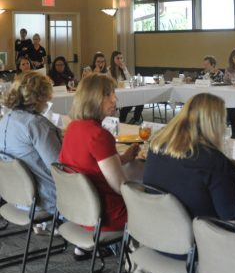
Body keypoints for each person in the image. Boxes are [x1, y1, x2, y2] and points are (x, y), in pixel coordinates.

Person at [59, 74, 139, 234]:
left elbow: (90, 166)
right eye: (108, 94)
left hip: (80, 210)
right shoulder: (99, 135)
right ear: (92, 99)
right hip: (107, 215)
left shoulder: (73, 127)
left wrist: (124, 159)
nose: (115, 99)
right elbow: (120, 187)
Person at [144, 93, 235, 220]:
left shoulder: (157, 145)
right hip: (200, 229)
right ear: (214, 125)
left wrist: (228, 164)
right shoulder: (213, 160)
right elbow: (229, 213)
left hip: (156, 222)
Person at [0, 72, 61, 214]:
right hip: (45, 201)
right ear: (40, 97)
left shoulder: (5, 120)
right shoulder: (36, 124)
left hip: (16, 197)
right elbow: (59, 167)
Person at [108, 51, 143, 124]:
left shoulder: (123, 68)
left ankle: (135, 119)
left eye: (121, 58)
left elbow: (130, 80)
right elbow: (110, 84)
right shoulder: (109, 70)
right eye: (117, 58)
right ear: (113, 59)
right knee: (128, 104)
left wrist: (124, 69)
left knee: (140, 100)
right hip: (114, 94)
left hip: (124, 93)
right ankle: (122, 120)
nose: (120, 60)